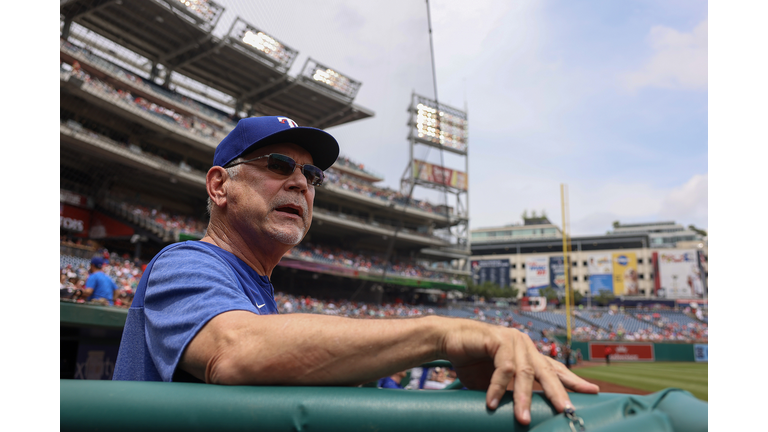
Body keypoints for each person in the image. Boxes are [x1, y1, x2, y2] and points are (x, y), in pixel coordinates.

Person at [112, 116, 599, 426]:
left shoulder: (253, 284)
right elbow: (235, 353)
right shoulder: (186, 261)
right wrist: (441, 335)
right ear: (220, 186)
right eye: (279, 164)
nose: (300, 182)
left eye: (312, 175)